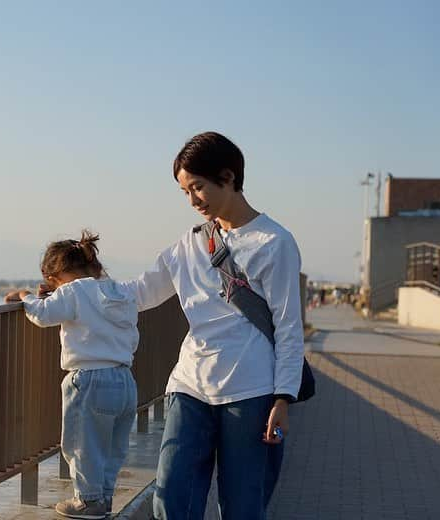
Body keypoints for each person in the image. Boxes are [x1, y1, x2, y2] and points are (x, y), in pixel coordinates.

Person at [122, 132, 304, 520]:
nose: (192, 200)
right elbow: (138, 293)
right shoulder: (188, 244)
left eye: (198, 187)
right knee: (171, 500)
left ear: (228, 176)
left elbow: (289, 326)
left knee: (242, 506)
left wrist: (283, 398)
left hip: (251, 394)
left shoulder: (274, 242)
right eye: (185, 191)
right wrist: (69, 293)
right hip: (190, 386)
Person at [4, 230, 139, 519]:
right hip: (124, 380)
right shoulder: (120, 291)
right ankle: (103, 498)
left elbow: (43, 315)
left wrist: (24, 295)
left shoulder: (73, 291)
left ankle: (88, 501)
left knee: (82, 444)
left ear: (59, 275)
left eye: (54, 282)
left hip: (89, 380)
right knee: (113, 446)